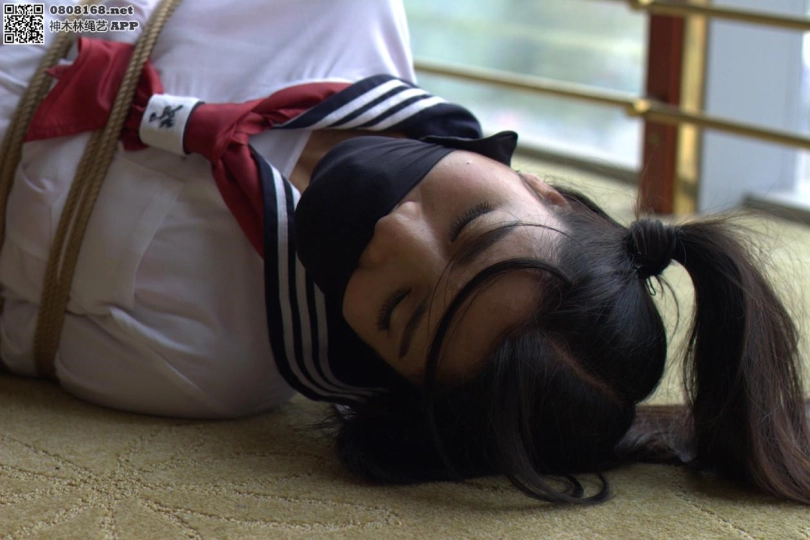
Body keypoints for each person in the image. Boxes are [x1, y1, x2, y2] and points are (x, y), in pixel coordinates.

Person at [1, 0, 809, 506]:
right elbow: (66, 14)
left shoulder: (205, 362)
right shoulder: (335, 13)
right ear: (546, 191)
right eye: (473, 228)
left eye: (400, 311)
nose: (394, 235)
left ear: (389, 371)